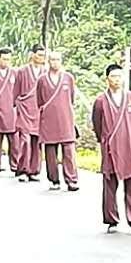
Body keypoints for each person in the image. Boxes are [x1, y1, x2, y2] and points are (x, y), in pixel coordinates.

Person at [91, 63, 131, 233]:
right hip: (111, 148)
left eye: (119, 76)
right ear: (107, 79)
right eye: (113, 76)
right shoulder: (101, 101)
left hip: (130, 146)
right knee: (110, 183)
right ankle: (111, 218)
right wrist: (104, 141)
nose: (117, 80)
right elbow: (97, 124)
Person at [36, 50, 79, 191]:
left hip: (66, 118)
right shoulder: (42, 80)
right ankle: (54, 179)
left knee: (68, 150)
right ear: (48, 61)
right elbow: (39, 100)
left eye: (58, 60)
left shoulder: (68, 78)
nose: (55, 62)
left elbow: (71, 98)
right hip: (48, 120)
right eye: (53, 60)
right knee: (50, 151)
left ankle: (72, 180)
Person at [13, 44, 47, 182]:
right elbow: (15, 91)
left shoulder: (45, 72)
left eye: (43, 55)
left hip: (39, 110)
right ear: (32, 55)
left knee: (36, 141)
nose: (41, 58)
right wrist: (14, 105)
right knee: (25, 140)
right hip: (25, 108)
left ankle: (34, 170)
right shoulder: (22, 71)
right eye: (39, 55)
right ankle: (22, 169)